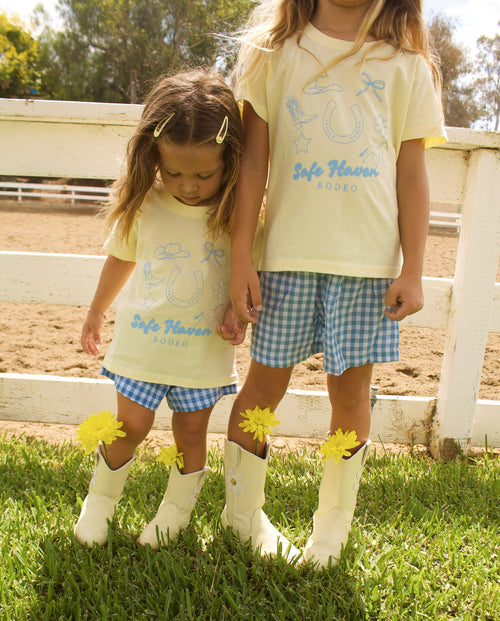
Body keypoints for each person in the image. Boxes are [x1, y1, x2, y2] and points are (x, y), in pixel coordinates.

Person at [219, 0, 446, 567]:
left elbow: (412, 171)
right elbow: (252, 166)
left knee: (349, 396)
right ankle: (242, 514)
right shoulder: (275, 53)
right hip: (286, 258)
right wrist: (240, 258)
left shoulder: (408, 63)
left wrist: (413, 267)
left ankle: (331, 530)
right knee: (262, 390)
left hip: (366, 265)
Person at [74, 69, 247, 550]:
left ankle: (175, 511)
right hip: (142, 347)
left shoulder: (239, 215)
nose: (187, 185)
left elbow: (249, 277)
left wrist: (239, 311)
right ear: (154, 157)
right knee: (129, 426)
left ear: (229, 160)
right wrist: (95, 311)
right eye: (172, 172)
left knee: (191, 432)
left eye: (203, 174)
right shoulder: (146, 204)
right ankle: (99, 503)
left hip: (201, 353)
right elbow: (121, 258)